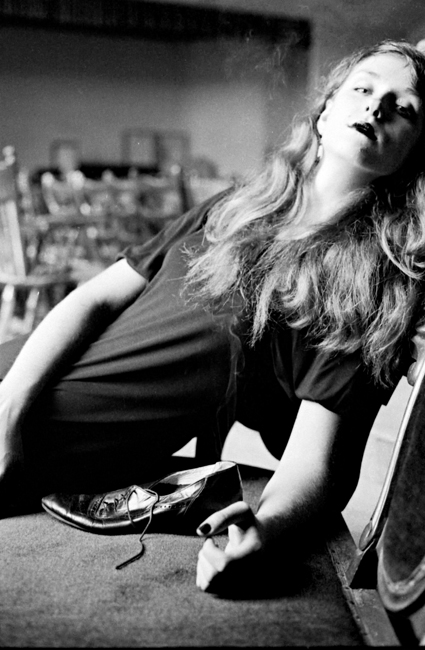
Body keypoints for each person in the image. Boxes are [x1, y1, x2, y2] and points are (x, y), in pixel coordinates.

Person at [1, 40, 425, 594]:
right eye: (363, 88)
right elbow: (94, 299)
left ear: (415, 153)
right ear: (324, 115)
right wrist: (9, 406)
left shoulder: (365, 287)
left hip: (61, 444)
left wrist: (266, 529)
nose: (376, 106)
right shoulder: (234, 205)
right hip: (18, 383)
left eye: (403, 107)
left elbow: (317, 466)